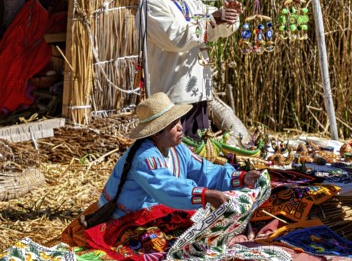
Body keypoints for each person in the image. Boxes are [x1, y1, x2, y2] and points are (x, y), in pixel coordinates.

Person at [61, 92, 260, 247]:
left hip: (155, 212)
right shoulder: (145, 158)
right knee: (165, 245)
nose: (181, 127)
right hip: (125, 220)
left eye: (179, 121)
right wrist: (206, 195)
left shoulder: (177, 149)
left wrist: (241, 178)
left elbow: (204, 170)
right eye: (173, 124)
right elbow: (167, 188)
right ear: (156, 133)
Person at [145, 0, 243, 141]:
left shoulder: (191, 0)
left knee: (198, 149)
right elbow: (176, 38)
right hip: (173, 96)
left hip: (198, 92)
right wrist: (213, 20)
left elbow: (214, 30)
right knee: (175, 150)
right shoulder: (153, 3)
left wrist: (230, 17)